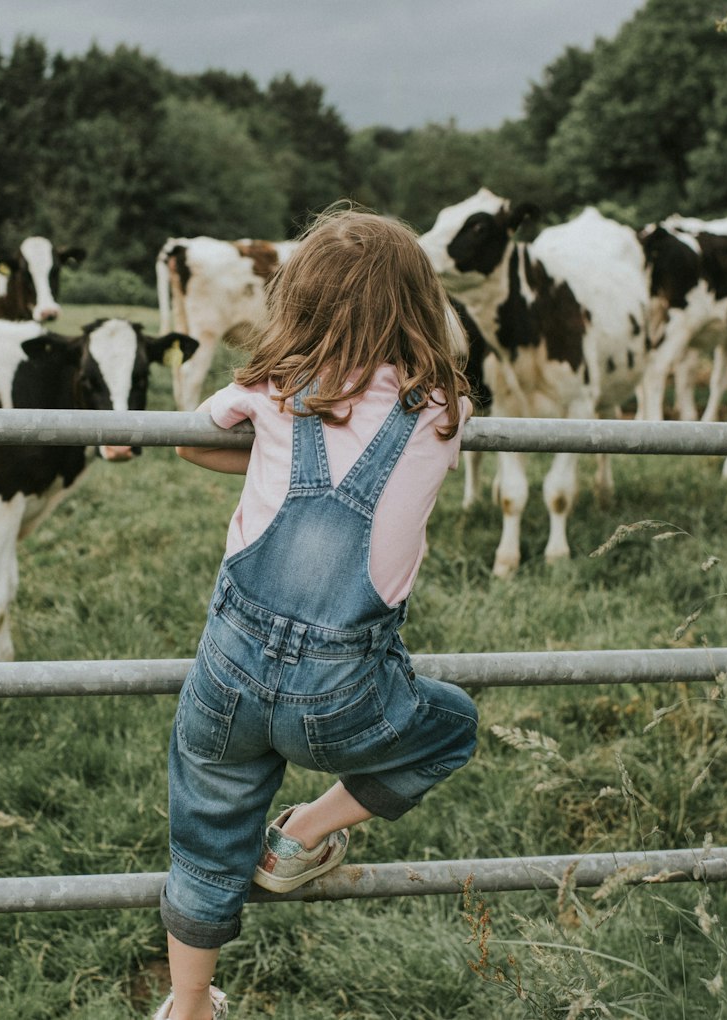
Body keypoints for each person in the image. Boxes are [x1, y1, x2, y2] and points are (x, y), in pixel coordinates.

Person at [154, 208, 480, 1020]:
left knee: (206, 829)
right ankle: (303, 835)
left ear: (296, 301)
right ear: (418, 304)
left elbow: (194, 442)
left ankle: (190, 1005)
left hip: (227, 675)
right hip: (343, 694)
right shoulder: (443, 411)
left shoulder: (269, 392)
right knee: (453, 725)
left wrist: (269, 439)